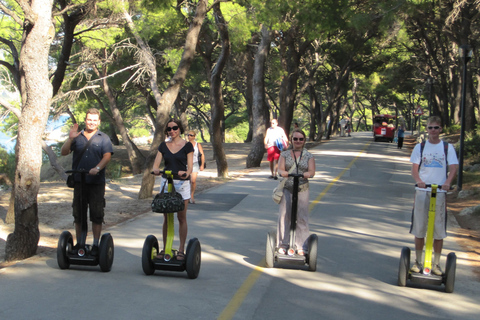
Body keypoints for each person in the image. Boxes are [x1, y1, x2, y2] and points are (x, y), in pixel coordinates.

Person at [60, 108, 113, 256]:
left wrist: (97, 168)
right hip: (79, 181)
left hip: (96, 182)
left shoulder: (104, 138)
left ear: (99, 121)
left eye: (95, 120)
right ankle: (80, 243)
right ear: (85, 120)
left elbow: (107, 156)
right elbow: (64, 152)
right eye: (89, 119)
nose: (92, 122)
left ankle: (96, 244)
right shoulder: (77, 136)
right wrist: (70, 138)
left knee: (96, 213)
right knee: (78, 213)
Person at [409, 116, 458, 275]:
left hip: (440, 192)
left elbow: (453, 167)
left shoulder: (447, 147)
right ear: (427, 129)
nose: (433, 131)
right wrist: (419, 181)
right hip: (422, 191)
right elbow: (414, 168)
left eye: (436, 128)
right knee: (420, 227)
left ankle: (436, 264)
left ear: (441, 129)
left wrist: (448, 182)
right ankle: (417, 262)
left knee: (438, 229)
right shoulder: (420, 147)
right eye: (430, 128)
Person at [152, 119, 193, 261]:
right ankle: (165, 248)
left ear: (180, 129)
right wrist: (156, 170)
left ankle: (181, 249)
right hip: (166, 182)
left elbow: (190, 167)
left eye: (175, 128)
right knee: (166, 217)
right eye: (169, 129)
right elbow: (156, 164)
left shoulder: (187, 146)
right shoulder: (163, 146)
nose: (172, 131)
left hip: (181, 184)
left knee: (181, 217)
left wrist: (186, 173)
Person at [276, 129, 316, 255]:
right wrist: (283, 172)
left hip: (302, 189)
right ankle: (283, 244)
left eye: (300, 139)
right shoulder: (284, 155)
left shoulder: (309, 156)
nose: (298, 141)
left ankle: (301, 246)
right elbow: (280, 169)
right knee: (284, 216)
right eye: (295, 139)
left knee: (302, 217)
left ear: (304, 141)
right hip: (287, 188)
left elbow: (312, 171)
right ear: (291, 140)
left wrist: (307, 174)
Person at [186, 130, 204, 204]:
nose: (189, 136)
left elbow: (202, 154)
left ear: (194, 136)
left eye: (191, 135)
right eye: (188, 135)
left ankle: (192, 195)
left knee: (193, 181)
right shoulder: (185, 144)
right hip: (186, 165)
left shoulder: (197, 144)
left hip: (195, 164)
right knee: (187, 181)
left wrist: (202, 165)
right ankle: (186, 196)